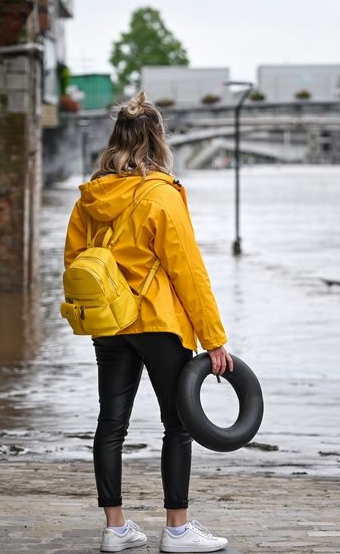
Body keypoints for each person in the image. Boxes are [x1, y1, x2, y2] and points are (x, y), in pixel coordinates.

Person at [64, 91, 231, 553]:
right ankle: (176, 529)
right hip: (159, 322)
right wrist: (213, 338)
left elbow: (75, 262)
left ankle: (115, 528)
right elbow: (188, 270)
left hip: (110, 322)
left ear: (114, 138)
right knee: (176, 425)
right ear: (158, 140)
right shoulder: (162, 194)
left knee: (110, 423)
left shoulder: (90, 196)